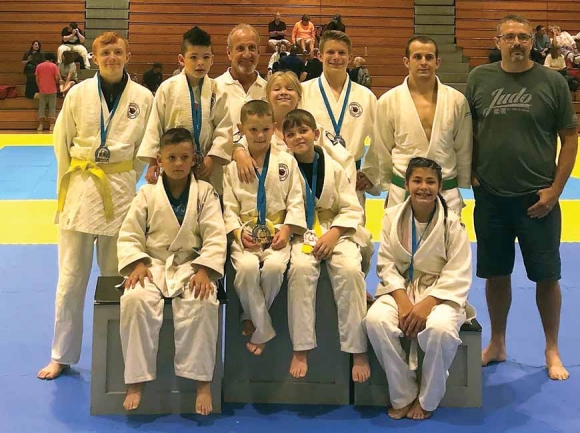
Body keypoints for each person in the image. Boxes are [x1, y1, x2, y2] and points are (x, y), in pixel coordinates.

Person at [465, 14, 578, 381]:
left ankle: (552, 347)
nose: (516, 42)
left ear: (534, 42)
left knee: (548, 276)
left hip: (538, 199)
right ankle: (497, 342)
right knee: (495, 274)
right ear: (497, 41)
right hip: (492, 197)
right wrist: (470, 171)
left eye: (523, 37)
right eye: (509, 36)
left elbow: (570, 137)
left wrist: (556, 189)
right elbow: (468, 131)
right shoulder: (479, 79)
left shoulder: (553, 81)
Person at [36, 31, 154, 380]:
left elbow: (144, 150)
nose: (112, 57)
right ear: (95, 57)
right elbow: (62, 142)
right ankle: (61, 354)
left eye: (118, 51)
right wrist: (67, 188)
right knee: (71, 278)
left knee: (118, 278)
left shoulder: (143, 97)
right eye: (106, 52)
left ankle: (119, 351)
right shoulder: (77, 94)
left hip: (120, 192)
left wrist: (124, 176)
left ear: (127, 55)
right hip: (80, 188)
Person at [118, 127, 227, 414]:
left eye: (184, 157)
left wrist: (205, 268)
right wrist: (137, 263)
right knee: (134, 299)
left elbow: (216, 236)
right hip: (152, 265)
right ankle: (136, 380)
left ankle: (202, 382)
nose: (178, 163)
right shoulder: (146, 194)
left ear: (194, 159)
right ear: (159, 159)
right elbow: (130, 234)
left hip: (192, 266)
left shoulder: (205, 192)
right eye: (172, 157)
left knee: (203, 301)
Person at [364, 157, 475, 420]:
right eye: (417, 180)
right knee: (375, 320)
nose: (423, 187)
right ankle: (403, 392)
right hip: (401, 288)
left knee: (440, 329)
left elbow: (459, 272)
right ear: (406, 184)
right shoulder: (392, 216)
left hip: (441, 293)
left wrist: (427, 304)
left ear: (439, 186)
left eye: (430, 181)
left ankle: (428, 398)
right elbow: (387, 264)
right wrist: (403, 302)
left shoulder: (452, 222)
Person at [283, 109, 371, 383]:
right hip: (303, 231)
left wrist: (333, 234)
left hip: (336, 229)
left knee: (350, 270)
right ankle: (301, 348)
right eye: (291, 134)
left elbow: (351, 207)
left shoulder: (333, 166)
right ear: (284, 140)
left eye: (303, 131)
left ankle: (358, 350)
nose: (298, 137)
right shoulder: (283, 167)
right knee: (299, 269)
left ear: (316, 134)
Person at [222, 100, 306, 356]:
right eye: (253, 130)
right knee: (246, 268)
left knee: (274, 268)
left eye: (265, 130)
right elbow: (228, 208)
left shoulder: (286, 162)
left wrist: (288, 230)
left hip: (277, 229)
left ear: (274, 128)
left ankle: (251, 315)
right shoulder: (232, 167)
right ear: (241, 129)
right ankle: (264, 328)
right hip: (245, 232)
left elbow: (295, 200)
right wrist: (237, 233)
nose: (259, 136)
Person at [359, 36, 472, 216]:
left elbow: (463, 146)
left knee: (447, 243)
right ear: (406, 61)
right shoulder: (389, 100)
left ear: (438, 62)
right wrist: (387, 183)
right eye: (417, 57)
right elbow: (382, 147)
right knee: (399, 243)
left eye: (429, 57)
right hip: (402, 188)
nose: (423, 62)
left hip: (445, 189)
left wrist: (464, 180)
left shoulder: (456, 100)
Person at [138, 26, 233, 194]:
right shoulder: (168, 88)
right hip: (175, 161)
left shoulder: (217, 90)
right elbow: (155, 125)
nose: (200, 63)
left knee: (206, 208)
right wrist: (153, 162)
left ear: (212, 59)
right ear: (182, 59)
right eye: (193, 57)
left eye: (205, 57)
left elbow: (223, 128)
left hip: (206, 165)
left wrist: (212, 158)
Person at [301, 30, 377, 206]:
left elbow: (379, 140)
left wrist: (370, 173)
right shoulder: (303, 92)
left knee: (353, 231)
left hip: (352, 180)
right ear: (320, 55)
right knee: (312, 231)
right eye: (330, 52)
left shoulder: (366, 97)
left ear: (350, 58)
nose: (336, 57)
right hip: (313, 177)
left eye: (342, 53)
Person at [214, 24, 268, 183]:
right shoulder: (213, 89)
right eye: (240, 48)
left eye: (252, 48)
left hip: (261, 180)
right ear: (229, 53)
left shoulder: (270, 91)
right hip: (221, 181)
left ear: (259, 52)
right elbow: (209, 137)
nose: (247, 54)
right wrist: (236, 151)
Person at [35, 52, 60, 132]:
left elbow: (36, 78)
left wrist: (40, 86)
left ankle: (41, 125)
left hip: (42, 90)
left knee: (41, 107)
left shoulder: (39, 66)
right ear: (52, 59)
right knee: (52, 107)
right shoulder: (54, 66)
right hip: (52, 90)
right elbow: (57, 77)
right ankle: (51, 126)